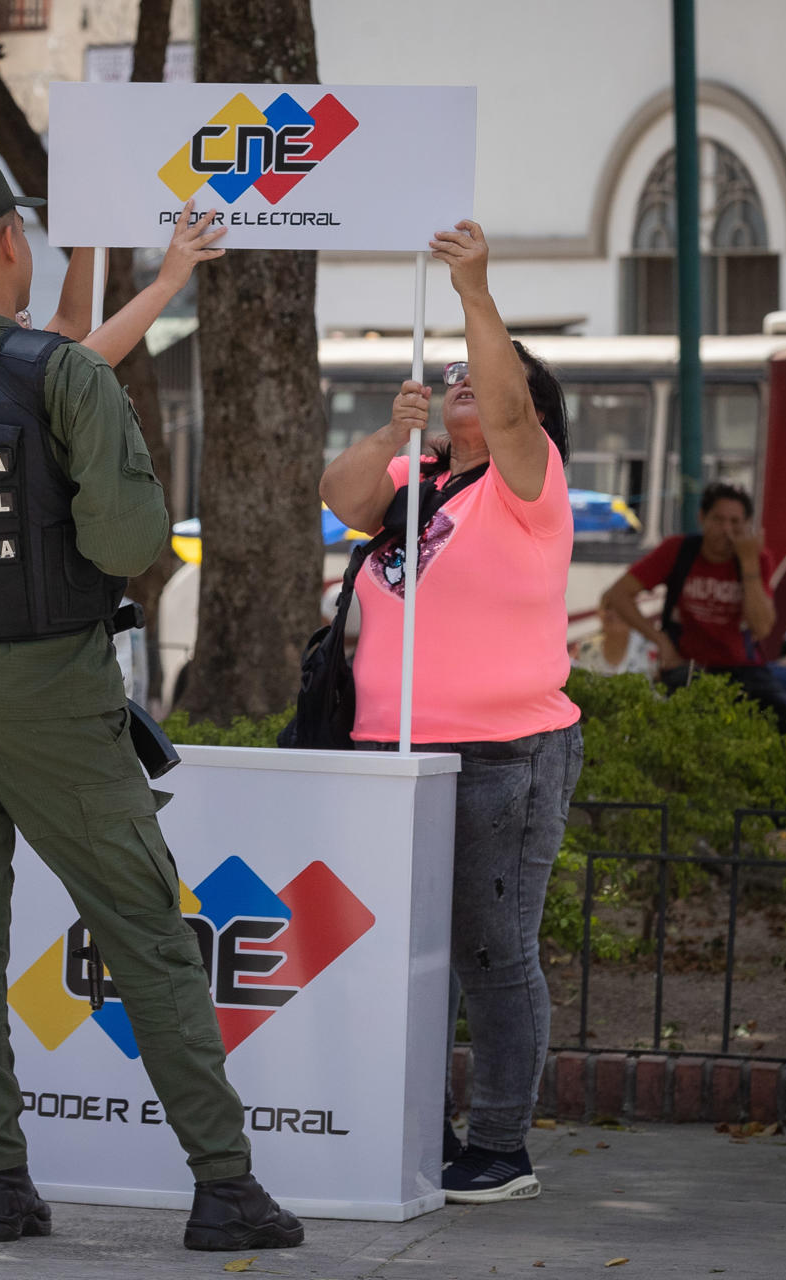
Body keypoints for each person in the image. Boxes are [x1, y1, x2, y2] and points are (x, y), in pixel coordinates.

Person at [0, 153, 297, 1252]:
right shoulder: (64, 375)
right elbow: (130, 544)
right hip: (53, 690)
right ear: (13, 245)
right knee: (145, 933)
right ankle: (224, 1185)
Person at [0, 211, 226, 1197]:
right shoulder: (34, 388)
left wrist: (95, 226)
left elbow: (74, 323)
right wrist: (171, 272)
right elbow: (88, 345)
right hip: (7, 680)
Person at [319, 221, 585, 1205]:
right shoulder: (418, 481)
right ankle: (418, 1128)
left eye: (488, 379)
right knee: (405, 949)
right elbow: (337, 493)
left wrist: (475, 290)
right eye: (460, 378)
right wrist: (396, 433)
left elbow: (508, 407)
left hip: (501, 753)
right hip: (396, 755)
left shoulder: (531, 484)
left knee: (487, 946)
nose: (466, 385)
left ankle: (501, 1144)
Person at [599, 481, 786, 724]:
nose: (726, 529)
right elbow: (618, 594)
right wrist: (661, 642)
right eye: (718, 520)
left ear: (747, 525)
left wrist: (749, 563)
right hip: (687, 666)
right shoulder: (679, 550)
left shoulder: (755, 559)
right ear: (702, 517)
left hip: (742, 669)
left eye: (735, 523)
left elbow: (762, 627)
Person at [571, 604, 657, 678]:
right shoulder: (585, 647)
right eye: (607, 607)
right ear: (599, 613)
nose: (613, 613)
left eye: (620, 608)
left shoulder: (652, 646)